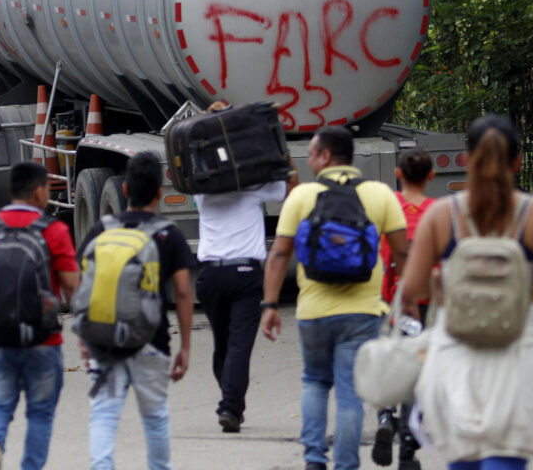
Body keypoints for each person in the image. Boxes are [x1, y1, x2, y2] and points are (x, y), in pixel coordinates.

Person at [399, 114, 533, 470]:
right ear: (518, 161)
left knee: (462, 459)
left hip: (457, 355)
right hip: (519, 354)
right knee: (505, 458)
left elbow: (412, 288)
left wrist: (438, 284)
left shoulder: (442, 216)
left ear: (467, 160)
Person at [261, 126, 409, 470]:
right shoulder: (380, 194)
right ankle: (346, 465)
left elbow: (280, 254)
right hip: (363, 312)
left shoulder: (301, 197)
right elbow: (403, 253)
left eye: (312, 153)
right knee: (350, 395)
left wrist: (270, 305)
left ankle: (314, 459)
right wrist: (409, 298)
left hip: (313, 310)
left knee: (314, 381)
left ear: (326, 156)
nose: (309, 160)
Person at [0, 161, 79, 470]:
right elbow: (70, 286)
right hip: (43, 340)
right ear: (39, 191)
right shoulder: (54, 230)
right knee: (40, 413)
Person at [78, 151, 194, 470]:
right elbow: (183, 291)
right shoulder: (168, 234)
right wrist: (185, 345)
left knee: (103, 413)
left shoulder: (101, 229)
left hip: (103, 341)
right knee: (155, 417)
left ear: (125, 190)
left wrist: (83, 335)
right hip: (151, 342)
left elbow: (83, 283)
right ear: (160, 193)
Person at [195, 104, 296, 433]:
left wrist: (214, 122)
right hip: (245, 275)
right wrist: (280, 146)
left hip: (209, 276)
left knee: (223, 344)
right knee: (239, 345)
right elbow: (291, 189)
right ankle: (230, 406)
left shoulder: (202, 190)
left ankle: (230, 399)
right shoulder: (255, 187)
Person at [373, 148, 434, 470]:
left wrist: (385, 298)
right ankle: (408, 449)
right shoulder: (436, 211)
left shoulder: (390, 207)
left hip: (395, 299)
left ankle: (385, 415)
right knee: (416, 373)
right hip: (424, 302)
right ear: (431, 176)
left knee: (390, 362)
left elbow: (387, 256)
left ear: (398, 174)